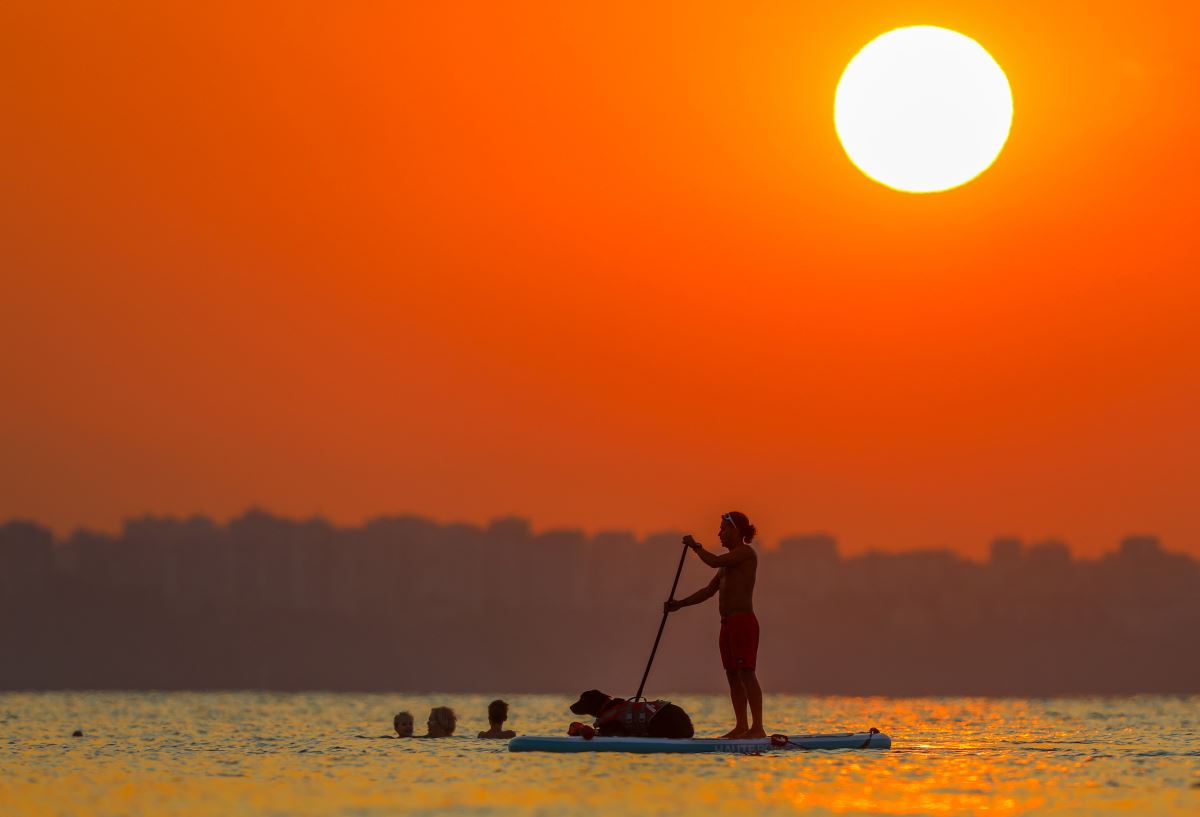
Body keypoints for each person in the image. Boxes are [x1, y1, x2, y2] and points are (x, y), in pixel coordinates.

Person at [664, 511, 765, 739]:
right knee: (732, 675)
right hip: (727, 624)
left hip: (743, 623)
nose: (719, 533)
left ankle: (757, 727)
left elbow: (713, 561)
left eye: (723, 529)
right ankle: (741, 726)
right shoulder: (726, 565)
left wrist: (695, 546)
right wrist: (680, 604)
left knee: (746, 673)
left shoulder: (745, 554)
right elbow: (708, 591)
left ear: (737, 531)